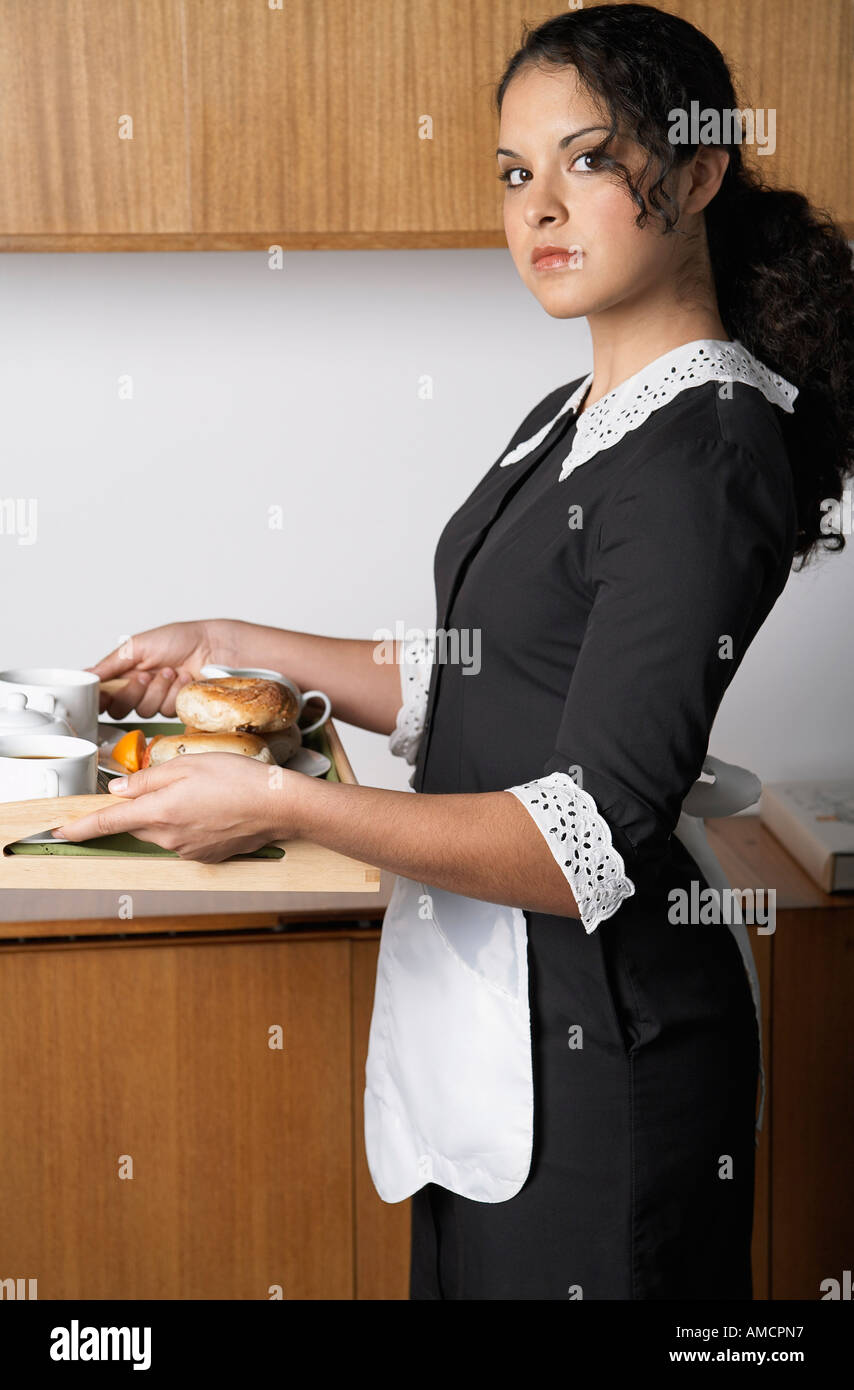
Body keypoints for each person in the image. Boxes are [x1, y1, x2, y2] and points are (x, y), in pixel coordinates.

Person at [60, 3, 854, 1299]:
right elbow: (491, 672)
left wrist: (277, 797)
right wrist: (233, 636)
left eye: (586, 160)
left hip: (604, 1054)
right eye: (510, 174)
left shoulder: (704, 453)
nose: (536, 207)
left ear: (701, 169)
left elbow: (587, 838)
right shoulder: (579, 412)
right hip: (494, 1019)